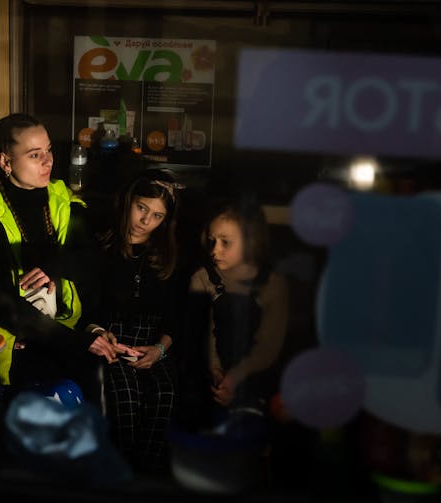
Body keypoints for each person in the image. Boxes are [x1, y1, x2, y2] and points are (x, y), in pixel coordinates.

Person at [0, 113, 122, 402]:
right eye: (35, 155)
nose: (48, 161)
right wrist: (77, 342)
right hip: (12, 343)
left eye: (49, 150)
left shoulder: (61, 200)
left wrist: (54, 268)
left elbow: (92, 264)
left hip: (61, 332)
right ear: (5, 162)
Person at [84, 169, 184, 472]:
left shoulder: (168, 255)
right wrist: (99, 332)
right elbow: (85, 303)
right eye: (142, 208)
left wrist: (160, 349)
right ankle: (122, 472)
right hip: (113, 340)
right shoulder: (100, 245)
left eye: (157, 216)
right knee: (127, 398)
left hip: (152, 343)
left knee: (165, 394)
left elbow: (178, 315)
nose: (145, 221)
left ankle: (147, 476)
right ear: (128, 202)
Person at [189, 197, 289, 420]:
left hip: (257, 379)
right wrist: (216, 373)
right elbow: (205, 333)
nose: (215, 250)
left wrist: (234, 378)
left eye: (226, 242)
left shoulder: (273, 283)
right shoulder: (202, 278)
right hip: (211, 380)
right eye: (211, 240)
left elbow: (269, 346)